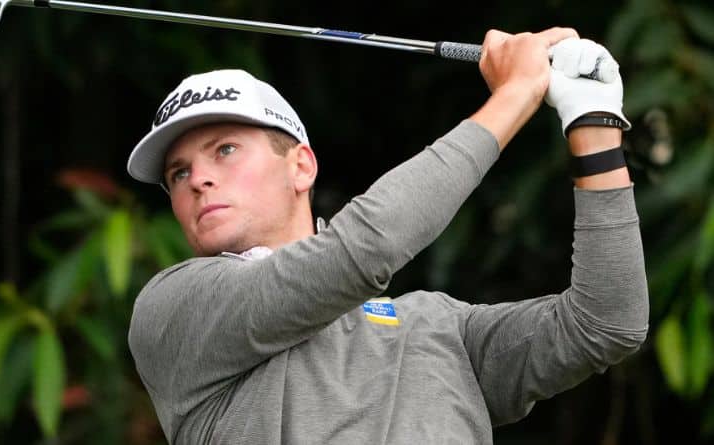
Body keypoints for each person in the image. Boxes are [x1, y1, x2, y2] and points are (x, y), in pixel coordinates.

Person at [126, 26, 648, 444]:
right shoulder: (174, 308)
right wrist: (515, 95)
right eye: (178, 173)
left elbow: (605, 323)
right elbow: (359, 253)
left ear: (301, 167)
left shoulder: (439, 328)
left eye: (225, 150)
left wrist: (591, 119)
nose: (198, 179)